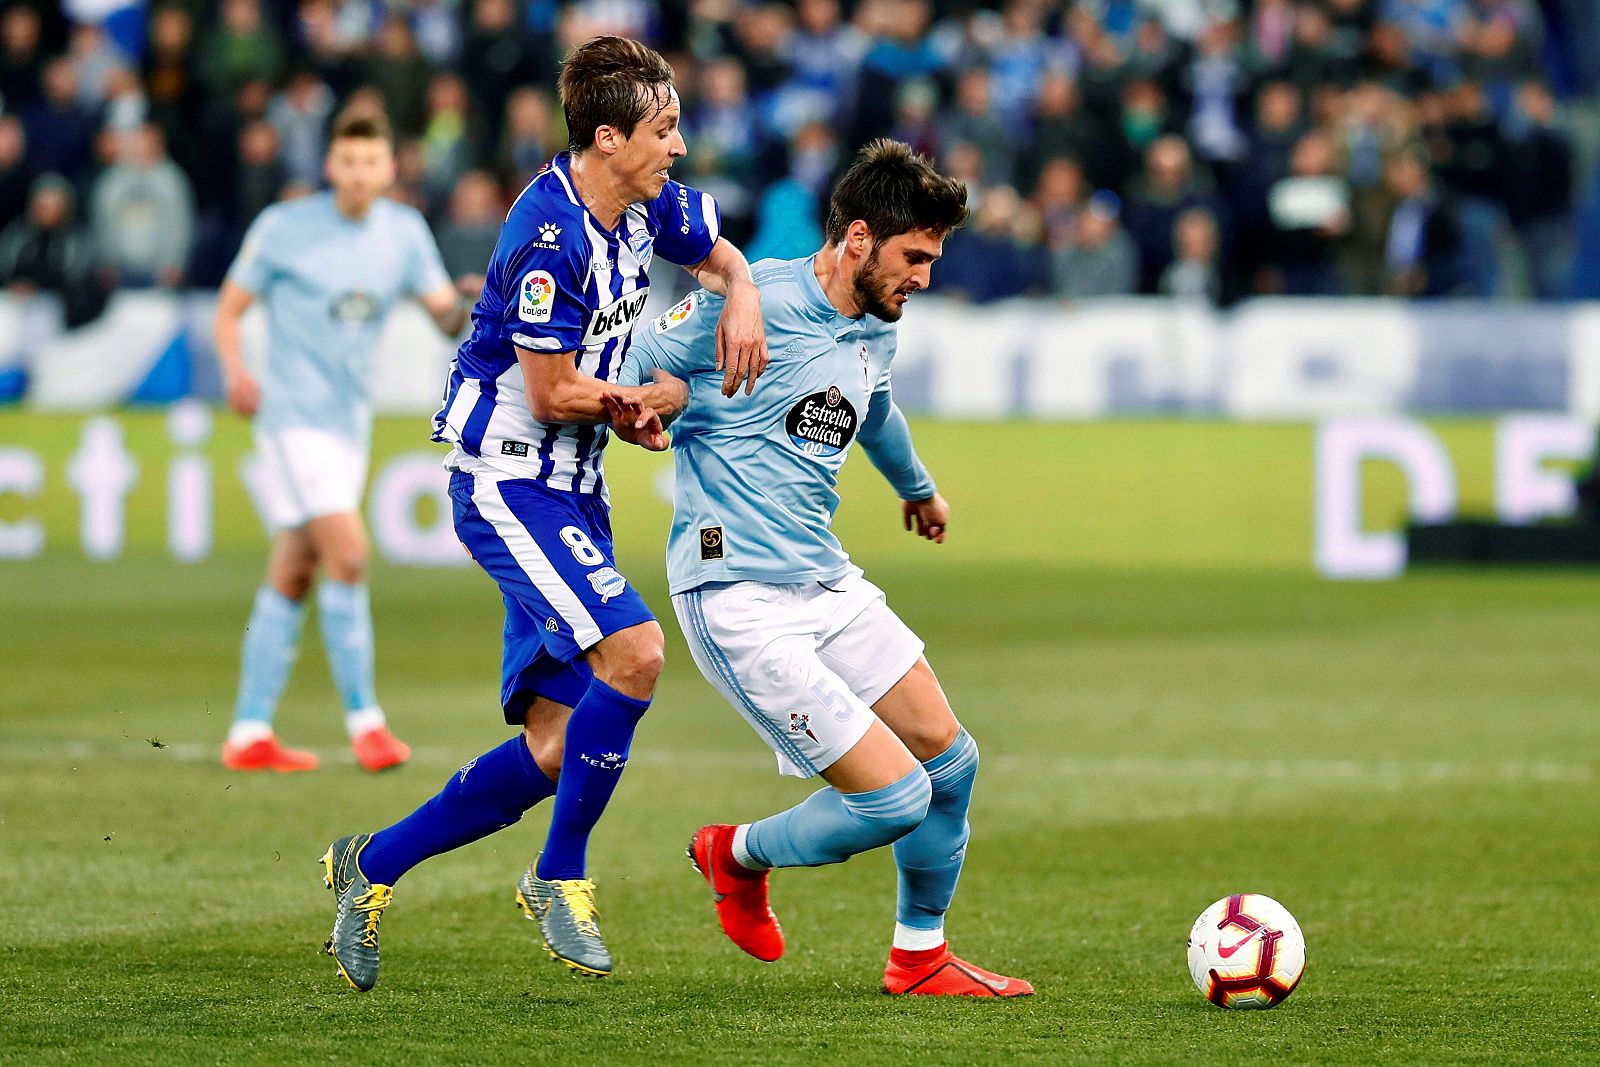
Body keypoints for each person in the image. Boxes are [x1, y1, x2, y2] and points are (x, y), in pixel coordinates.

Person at [319, 35, 768, 991]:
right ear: (608, 138)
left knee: (559, 744)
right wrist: (640, 399)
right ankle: (558, 874)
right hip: (508, 479)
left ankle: (371, 864)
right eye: (664, 130)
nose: (679, 148)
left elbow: (722, 249)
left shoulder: (646, 202)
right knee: (638, 652)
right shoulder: (548, 237)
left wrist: (745, 297)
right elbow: (556, 389)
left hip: (574, 488)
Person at [617, 139, 1033, 997]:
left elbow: (875, 411)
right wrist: (673, 400)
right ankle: (733, 854)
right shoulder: (753, 299)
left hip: (825, 578)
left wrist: (918, 490)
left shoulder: (874, 327)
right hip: (735, 592)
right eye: (915, 256)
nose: (925, 275)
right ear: (856, 238)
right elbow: (635, 377)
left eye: (934, 257)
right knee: (894, 800)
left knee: (951, 764)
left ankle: (920, 957)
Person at [215, 110, 471, 775]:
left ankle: (248, 731)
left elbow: (444, 315)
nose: (359, 175)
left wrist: (473, 300)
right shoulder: (285, 227)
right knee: (349, 553)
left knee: (296, 565)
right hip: (290, 417)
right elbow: (230, 306)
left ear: (390, 169)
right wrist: (236, 370)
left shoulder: (404, 231)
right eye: (348, 162)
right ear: (331, 166)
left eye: (371, 163)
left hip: (347, 422)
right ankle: (367, 723)